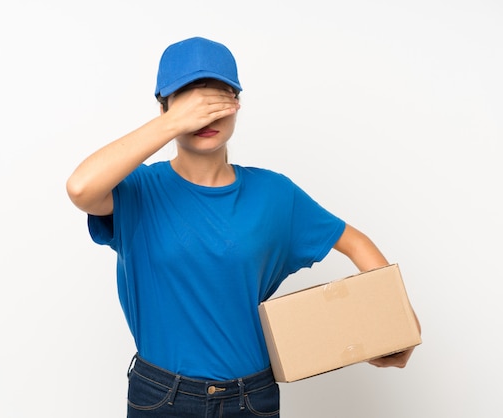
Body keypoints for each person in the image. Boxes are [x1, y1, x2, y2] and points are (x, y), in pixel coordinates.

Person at [66, 36, 419, 418]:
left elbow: (354, 241)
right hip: (162, 397)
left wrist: (396, 322)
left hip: (251, 398)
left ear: (236, 104)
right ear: (164, 108)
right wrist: (172, 123)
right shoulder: (138, 190)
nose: (206, 115)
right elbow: (81, 187)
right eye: (188, 101)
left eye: (218, 99)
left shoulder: (273, 193)